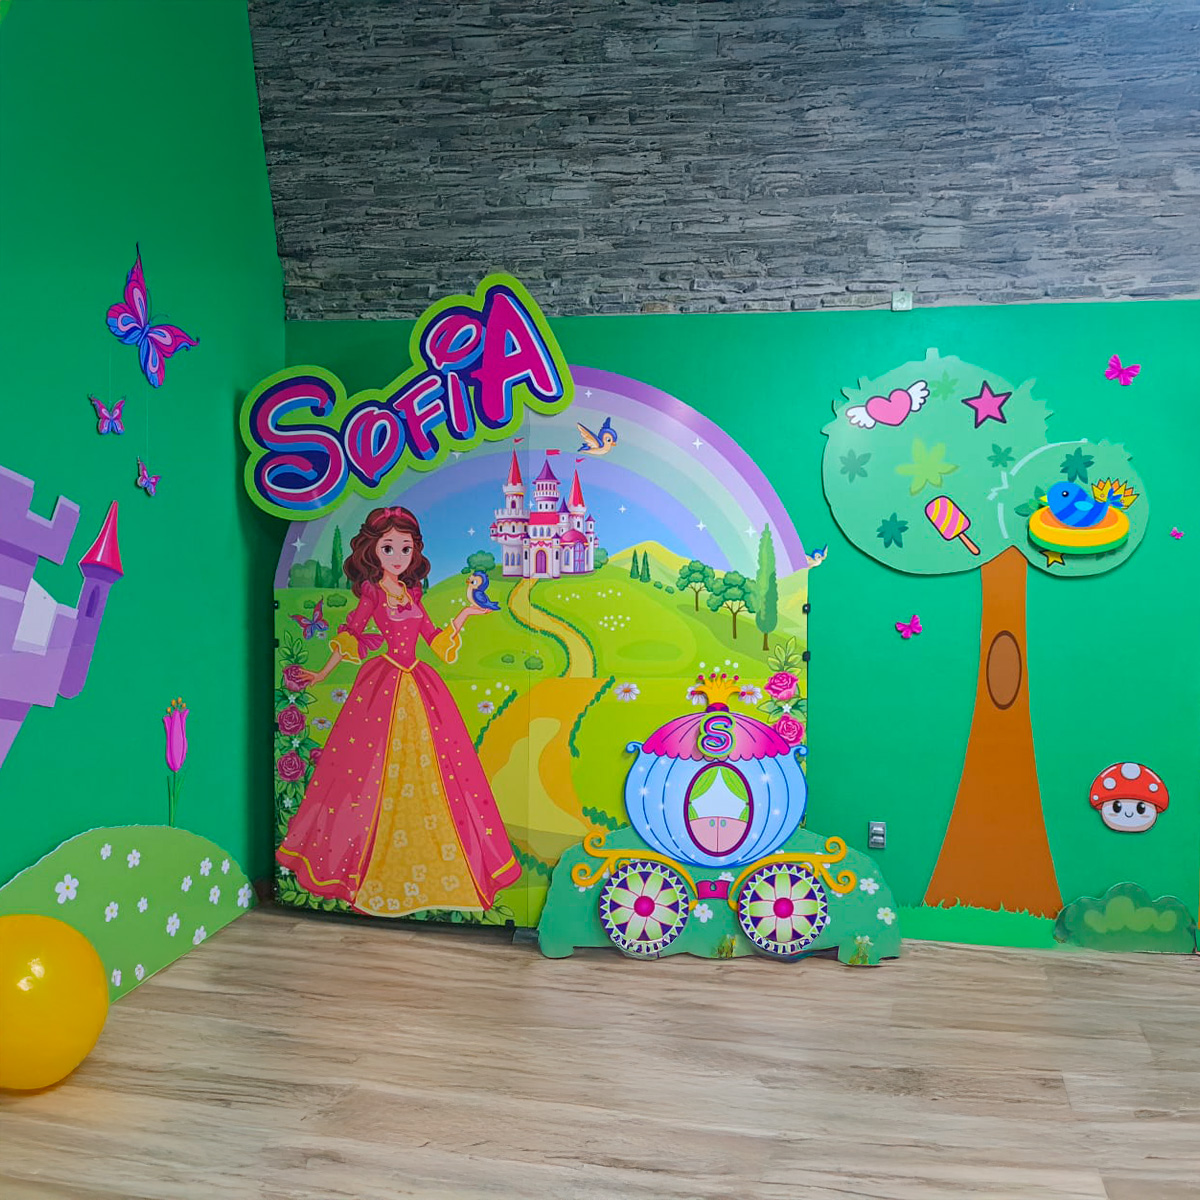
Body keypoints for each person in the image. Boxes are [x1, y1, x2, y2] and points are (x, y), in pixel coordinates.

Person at [276, 506, 521, 916]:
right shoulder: (373, 593)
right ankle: (364, 865)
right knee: (369, 771)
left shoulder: (413, 594)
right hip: (383, 686)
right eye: (388, 547)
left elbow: (434, 639)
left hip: (420, 684)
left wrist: (464, 615)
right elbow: (351, 633)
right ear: (373, 550)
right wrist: (321, 673)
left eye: (405, 548)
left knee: (438, 770)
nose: (397, 556)